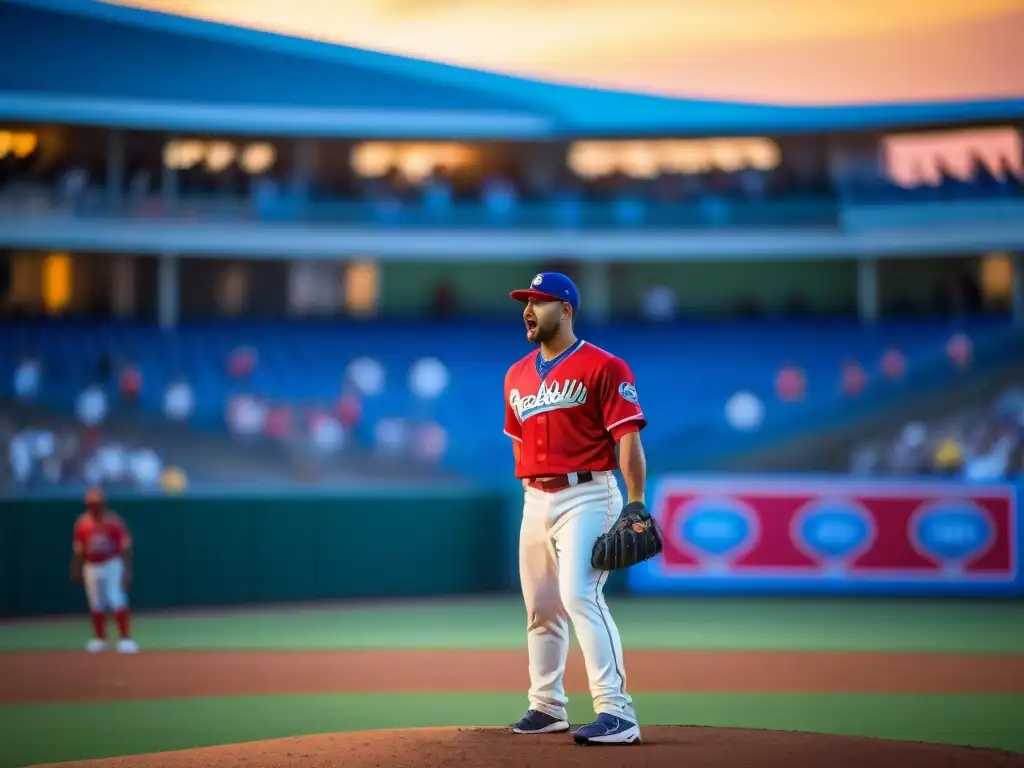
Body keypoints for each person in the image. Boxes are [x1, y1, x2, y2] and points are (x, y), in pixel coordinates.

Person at [503, 272, 646, 746]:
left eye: (539, 301)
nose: (528, 309)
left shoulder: (604, 366)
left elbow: (628, 439)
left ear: (565, 309)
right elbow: (519, 445)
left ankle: (617, 712)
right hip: (534, 496)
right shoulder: (516, 375)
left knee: (580, 595)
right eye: (526, 301)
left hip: (588, 492)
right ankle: (546, 706)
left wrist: (635, 500)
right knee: (541, 607)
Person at [70, 487, 138, 653]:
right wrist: (75, 569)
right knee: (96, 602)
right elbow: (79, 550)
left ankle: (125, 639)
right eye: (91, 504)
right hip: (91, 565)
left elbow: (125, 548)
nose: (95, 507)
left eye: (97, 503)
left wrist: (127, 571)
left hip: (111, 563)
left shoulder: (113, 522)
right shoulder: (82, 523)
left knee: (116, 599)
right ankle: (99, 639)